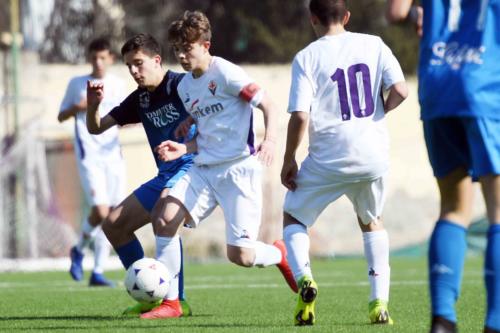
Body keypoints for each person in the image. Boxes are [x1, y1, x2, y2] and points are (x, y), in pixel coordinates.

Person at [146, 10, 298, 319]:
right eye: (177, 49)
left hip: (238, 171)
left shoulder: (227, 74)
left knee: (240, 255)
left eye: (187, 48)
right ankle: (171, 302)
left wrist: (269, 141)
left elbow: (269, 105)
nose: (182, 55)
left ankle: (279, 253)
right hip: (203, 168)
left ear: (206, 45)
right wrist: (182, 146)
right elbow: (204, 130)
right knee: (164, 218)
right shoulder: (185, 87)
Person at [281, 0, 408, 326]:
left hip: (328, 158)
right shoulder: (374, 44)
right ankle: (379, 303)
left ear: (313, 19)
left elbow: (299, 115)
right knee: (371, 221)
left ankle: (305, 280)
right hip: (371, 157)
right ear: (347, 16)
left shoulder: (307, 57)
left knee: (293, 216)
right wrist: (381, 111)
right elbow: (401, 90)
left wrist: (289, 159)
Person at [386, 1, 500, 333]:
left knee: (452, 207)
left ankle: (443, 319)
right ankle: (494, 322)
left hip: (437, 84)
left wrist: (415, 14)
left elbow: (396, 11)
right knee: (497, 210)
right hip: (485, 85)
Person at [86, 33, 193, 316]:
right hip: (166, 175)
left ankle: (175, 301)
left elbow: (216, 116)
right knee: (114, 224)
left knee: (164, 218)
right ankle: (154, 297)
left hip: (195, 169)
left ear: (156, 60)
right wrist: (94, 105)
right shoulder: (140, 99)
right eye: (129, 66)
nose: (134, 71)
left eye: (138, 63)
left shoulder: (183, 86)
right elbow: (96, 127)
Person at [58, 37, 126, 287]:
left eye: (103, 57)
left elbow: (125, 117)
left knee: (114, 215)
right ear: (89, 58)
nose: (98, 62)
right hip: (89, 156)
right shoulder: (77, 84)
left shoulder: (118, 85)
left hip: (113, 157)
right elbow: (60, 115)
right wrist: (80, 106)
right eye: (94, 57)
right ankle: (78, 250)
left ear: (110, 59)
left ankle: (97, 271)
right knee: (100, 210)